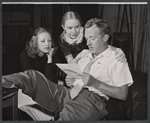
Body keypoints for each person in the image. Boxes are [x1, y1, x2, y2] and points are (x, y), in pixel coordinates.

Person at [2, 18, 133, 121]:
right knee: (32, 76)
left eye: (92, 38)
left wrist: (95, 83)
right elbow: (72, 74)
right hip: (69, 93)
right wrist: (71, 80)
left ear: (105, 38)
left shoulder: (116, 58)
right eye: (86, 38)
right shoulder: (85, 54)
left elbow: (123, 94)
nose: (87, 43)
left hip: (90, 101)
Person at [59, 11, 126, 63]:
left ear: (81, 25)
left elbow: (103, 44)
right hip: (77, 64)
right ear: (63, 27)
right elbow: (70, 60)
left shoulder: (87, 32)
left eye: (77, 27)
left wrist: (117, 50)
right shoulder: (62, 39)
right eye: (70, 28)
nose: (74, 31)